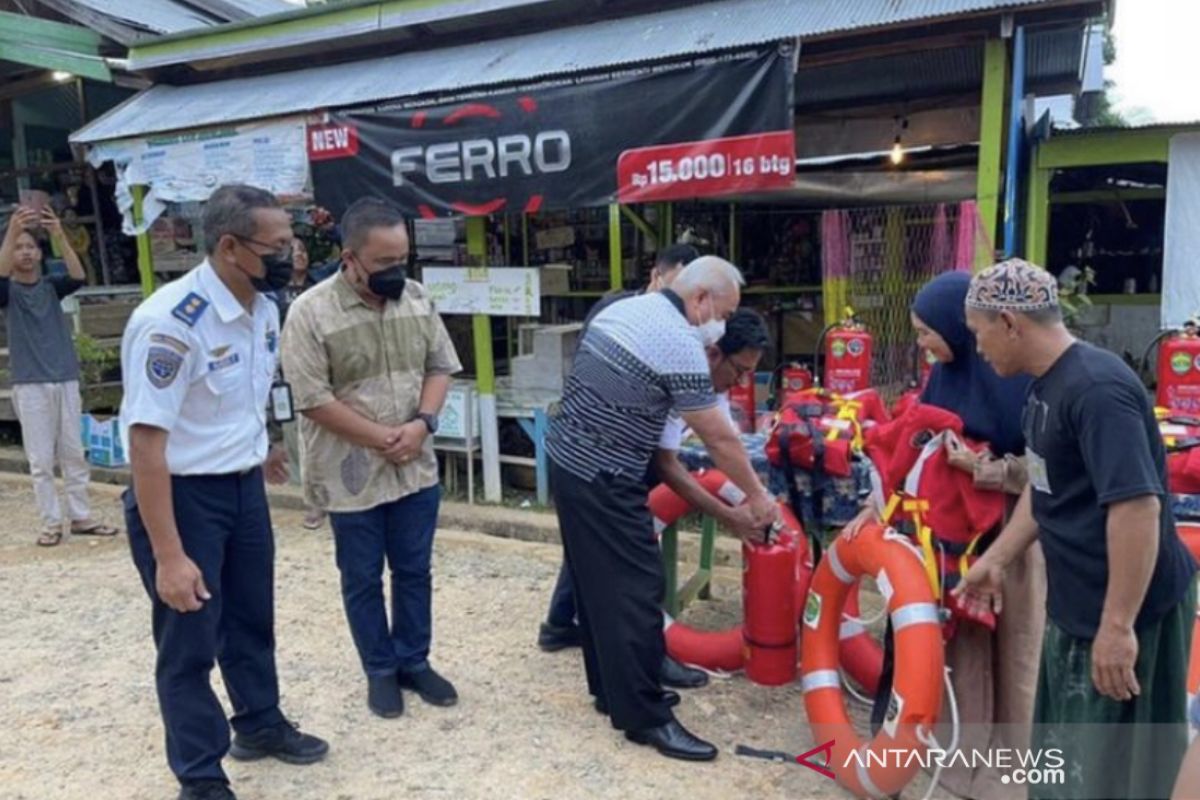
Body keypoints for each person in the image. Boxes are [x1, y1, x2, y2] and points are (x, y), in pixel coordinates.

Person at [953, 258, 1197, 800]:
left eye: (979, 332)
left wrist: (1117, 627)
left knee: (1125, 772)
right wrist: (996, 560)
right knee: (1064, 764)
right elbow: (1044, 492)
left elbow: (1136, 509)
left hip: (1135, 611)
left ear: (1011, 323)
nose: (978, 347)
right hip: (1077, 605)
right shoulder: (1044, 388)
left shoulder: (1096, 390)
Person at [120, 185, 328, 800]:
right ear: (231, 246)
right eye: (280, 245)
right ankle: (201, 775)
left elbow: (243, 390)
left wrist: (261, 444)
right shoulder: (171, 323)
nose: (292, 257)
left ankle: (260, 724)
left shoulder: (262, 304)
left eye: (293, 243)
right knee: (189, 641)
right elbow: (146, 448)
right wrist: (168, 554)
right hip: (183, 499)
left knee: (250, 620)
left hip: (242, 492)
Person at [546, 256, 779, 762]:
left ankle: (613, 693)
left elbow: (677, 448)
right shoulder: (678, 341)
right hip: (603, 473)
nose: (718, 324)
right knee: (634, 589)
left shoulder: (628, 310)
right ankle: (644, 717)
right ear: (701, 300)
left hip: (570, 461)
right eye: (723, 311)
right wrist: (759, 499)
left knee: (597, 590)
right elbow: (719, 437)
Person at [280, 198, 462, 720]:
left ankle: (414, 661)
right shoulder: (310, 312)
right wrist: (383, 437)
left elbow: (440, 366)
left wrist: (421, 424)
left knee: (413, 571)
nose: (395, 273)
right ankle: (379, 671)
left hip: (415, 465)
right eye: (383, 264)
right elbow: (312, 399)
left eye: (401, 260)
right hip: (350, 473)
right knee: (361, 577)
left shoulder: (417, 299)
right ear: (350, 258)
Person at [910, 271, 1046, 800]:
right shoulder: (945, 374)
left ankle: (1011, 774)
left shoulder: (1020, 377)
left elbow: (1048, 467)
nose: (923, 345)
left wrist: (985, 468)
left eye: (927, 333)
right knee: (962, 645)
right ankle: (959, 762)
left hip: (1017, 527)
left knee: (1015, 645)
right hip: (956, 530)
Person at [0, 205, 117, 546]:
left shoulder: (52, 287)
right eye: (19, 247)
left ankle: (81, 516)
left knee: (73, 453)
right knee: (40, 460)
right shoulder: (9, 293)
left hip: (65, 377)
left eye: (29, 247)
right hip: (30, 381)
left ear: (39, 254)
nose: (24, 252)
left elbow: (79, 275)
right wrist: (12, 230)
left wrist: (57, 234)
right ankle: (50, 522)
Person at [271, 237, 325, 530]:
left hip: (320, 368)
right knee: (296, 436)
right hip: (286, 373)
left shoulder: (321, 281)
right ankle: (312, 501)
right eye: (293, 252)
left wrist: (326, 228)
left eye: (304, 250)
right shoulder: (272, 293)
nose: (300, 256)